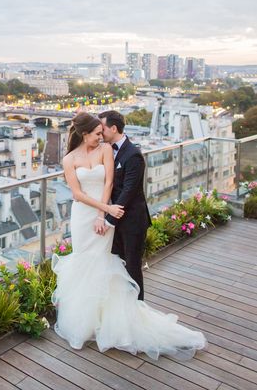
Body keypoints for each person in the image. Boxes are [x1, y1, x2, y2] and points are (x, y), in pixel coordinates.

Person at [52, 112, 206, 359]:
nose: (101, 136)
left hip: (104, 215)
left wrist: (103, 216)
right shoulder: (69, 158)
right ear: (84, 134)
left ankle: (119, 315)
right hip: (84, 217)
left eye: (102, 132)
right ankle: (87, 321)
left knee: (106, 263)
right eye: (97, 133)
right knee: (84, 263)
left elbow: (109, 183)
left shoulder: (106, 150)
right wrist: (105, 210)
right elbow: (77, 194)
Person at [98, 109, 151, 300]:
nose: (100, 132)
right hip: (116, 219)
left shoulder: (133, 154)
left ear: (113, 128)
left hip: (132, 221)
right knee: (118, 264)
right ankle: (123, 304)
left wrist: (109, 219)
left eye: (102, 128)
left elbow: (128, 191)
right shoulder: (106, 150)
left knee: (133, 266)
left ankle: (138, 307)